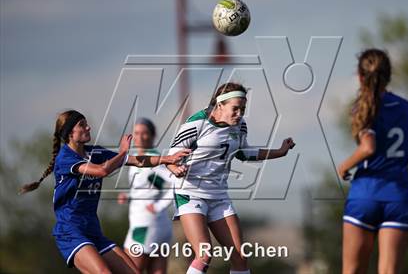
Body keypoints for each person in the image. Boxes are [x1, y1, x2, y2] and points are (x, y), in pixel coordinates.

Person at [19, 110, 189, 273]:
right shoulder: (65, 158)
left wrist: (167, 159)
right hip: (71, 231)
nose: (88, 127)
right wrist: (122, 152)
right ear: (70, 133)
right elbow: (102, 171)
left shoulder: (95, 152)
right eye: (82, 124)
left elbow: (136, 161)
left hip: (93, 230)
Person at [166, 82, 296, 274]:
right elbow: (171, 157)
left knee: (240, 256)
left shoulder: (240, 125)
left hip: (219, 195)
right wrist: (175, 167)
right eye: (235, 108)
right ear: (220, 105)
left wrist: (279, 151)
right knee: (204, 253)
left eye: (243, 109)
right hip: (190, 193)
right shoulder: (197, 123)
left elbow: (244, 153)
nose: (239, 114)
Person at [337, 49, 408, 274]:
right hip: (399, 198)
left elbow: (368, 147)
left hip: (366, 194)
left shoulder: (363, 106)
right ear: (389, 75)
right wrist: (397, 155)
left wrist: (345, 166)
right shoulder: (405, 107)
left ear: (360, 76)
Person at [118, 118, 173, 274]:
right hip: (160, 226)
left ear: (153, 135)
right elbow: (153, 188)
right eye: (136, 133)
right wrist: (129, 197)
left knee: (130, 271)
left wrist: (158, 206)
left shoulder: (155, 161)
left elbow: (177, 184)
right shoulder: (138, 159)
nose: (140, 137)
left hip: (144, 226)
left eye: (145, 133)